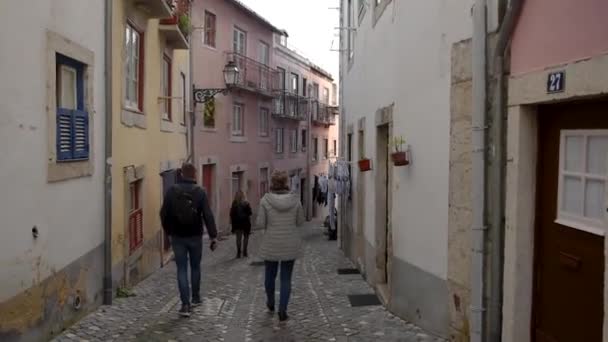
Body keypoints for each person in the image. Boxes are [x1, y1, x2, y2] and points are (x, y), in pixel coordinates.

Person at [160, 163, 218, 317]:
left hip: (178, 236)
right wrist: (213, 236)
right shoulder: (200, 192)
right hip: (195, 236)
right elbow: (208, 215)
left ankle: (185, 305)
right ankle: (196, 298)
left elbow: (163, 213)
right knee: (195, 267)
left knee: (181, 269)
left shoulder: (172, 191)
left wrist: (169, 232)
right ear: (194, 175)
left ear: (181, 174)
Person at [256, 170, 305, 322]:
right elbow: (300, 221)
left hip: (271, 243)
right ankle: (282, 310)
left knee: (269, 276)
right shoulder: (295, 200)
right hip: (290, 243)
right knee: (286, 279)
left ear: (272, 183)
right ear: (286, 183)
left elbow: (260, 223)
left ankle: (271, 303)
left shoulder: (265, 200)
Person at [230, 190, 252, 258]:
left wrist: (232, 223)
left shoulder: (234, 203)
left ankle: (238, 253)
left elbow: (231, 214)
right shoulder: (246, 203)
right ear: (243, 196)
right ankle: (245, 252)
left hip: (237, 223)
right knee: (246, 237)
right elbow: (250, 213)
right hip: (246, 223)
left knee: (238, 238)